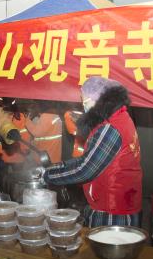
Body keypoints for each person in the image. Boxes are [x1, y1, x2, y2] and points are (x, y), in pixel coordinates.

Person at [38, 76, 143, 227]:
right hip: (122, 203)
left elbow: (85, 170)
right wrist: (56, 167)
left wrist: (48, 175)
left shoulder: (110, 127)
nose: (84, 107)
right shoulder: (120, 116)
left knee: (106, 250)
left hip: (112, 210)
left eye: (85, 102)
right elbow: (88, 160)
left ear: (100, 100)